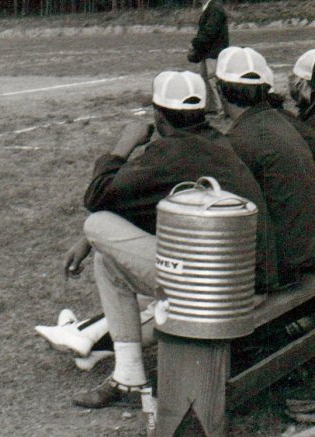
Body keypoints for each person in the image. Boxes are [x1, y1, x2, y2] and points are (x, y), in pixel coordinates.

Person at [51, 70, 276, 410]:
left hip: (223, 291)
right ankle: (127, 375)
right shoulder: (214, 142)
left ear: (159, 116)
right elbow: (141, 206)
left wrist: (123, 145)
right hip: (245, 276)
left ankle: (123, 370)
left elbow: (97, 197)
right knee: (106, 259)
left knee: (96, 225)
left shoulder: (170, 152)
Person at [216, 46, 315, 283]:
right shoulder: (280, 123)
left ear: (219, 90)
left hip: (289, 264)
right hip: (304, 251)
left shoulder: (241, 139)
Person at [187, 0, 229, 116]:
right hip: (208, 51)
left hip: (214, 52)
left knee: (213, 81)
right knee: (205, 80)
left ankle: (222, 110)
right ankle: (210, 108)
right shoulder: (211, 7)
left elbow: (210, 31)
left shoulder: (214, 8)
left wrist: (195, 44)